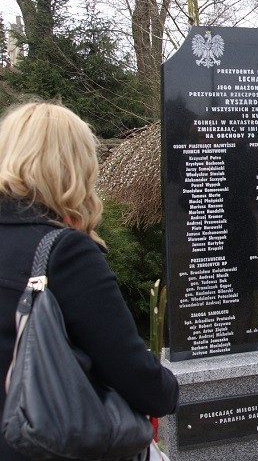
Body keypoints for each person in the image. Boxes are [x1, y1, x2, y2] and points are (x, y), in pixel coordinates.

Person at [0, 102, 180, 460]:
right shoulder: (64, 253)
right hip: (45, 443)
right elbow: (131, 373)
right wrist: (169, 389)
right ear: (74, 166)